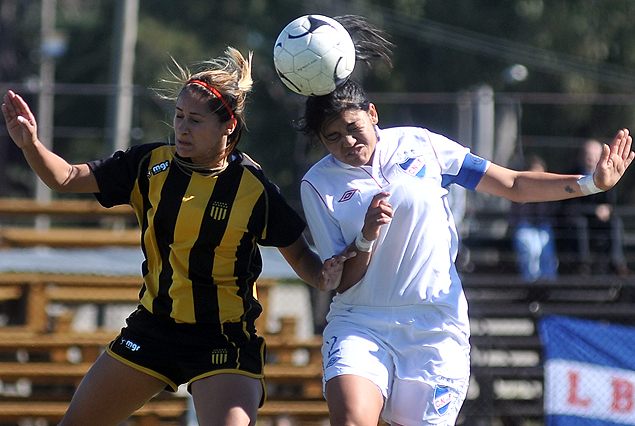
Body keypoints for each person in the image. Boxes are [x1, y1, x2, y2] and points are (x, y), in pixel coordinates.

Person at [2, 47, 351, 426]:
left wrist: (322, 275)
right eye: (179, 116)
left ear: (228, 126)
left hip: (223, 339)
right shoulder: (149, 165)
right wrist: (30, 145)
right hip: (154, 330)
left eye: (196, 121)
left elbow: (299, 254)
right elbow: (65, 177)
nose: (182, 128)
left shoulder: (254, 190)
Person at [297, 79, 633, 425]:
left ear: (372, 113)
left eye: (353, 127)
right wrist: (366, 238)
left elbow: (513, 184)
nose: (348, 142)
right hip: (361, 320)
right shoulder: (317, 184)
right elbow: (343, 282)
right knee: (352, 419)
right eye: (332, 137)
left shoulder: (421, 142)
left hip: (435, 324)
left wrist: (591, 184)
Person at [559, 139, 629, 275]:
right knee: (580, 224)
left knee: (615, 223)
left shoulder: (607, 175)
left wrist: (607, 209)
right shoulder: (572, 174)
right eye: (587, 154)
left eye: (593, 155)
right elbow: (569, 205)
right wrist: (593, 211)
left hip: (598, 221)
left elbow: (610, 204)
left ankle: (618, 263)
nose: (590, 158)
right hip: (579, 219)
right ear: (581, 156)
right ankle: (583, 264)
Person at [509, 155, 559, 281]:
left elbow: (550, 212)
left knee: (546, 251)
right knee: (531, 250)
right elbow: (515, 214)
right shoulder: (518, 190)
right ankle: (531, 283)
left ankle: (548, 283)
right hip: (525, 226)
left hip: (543, 226)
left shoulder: (550, 191)